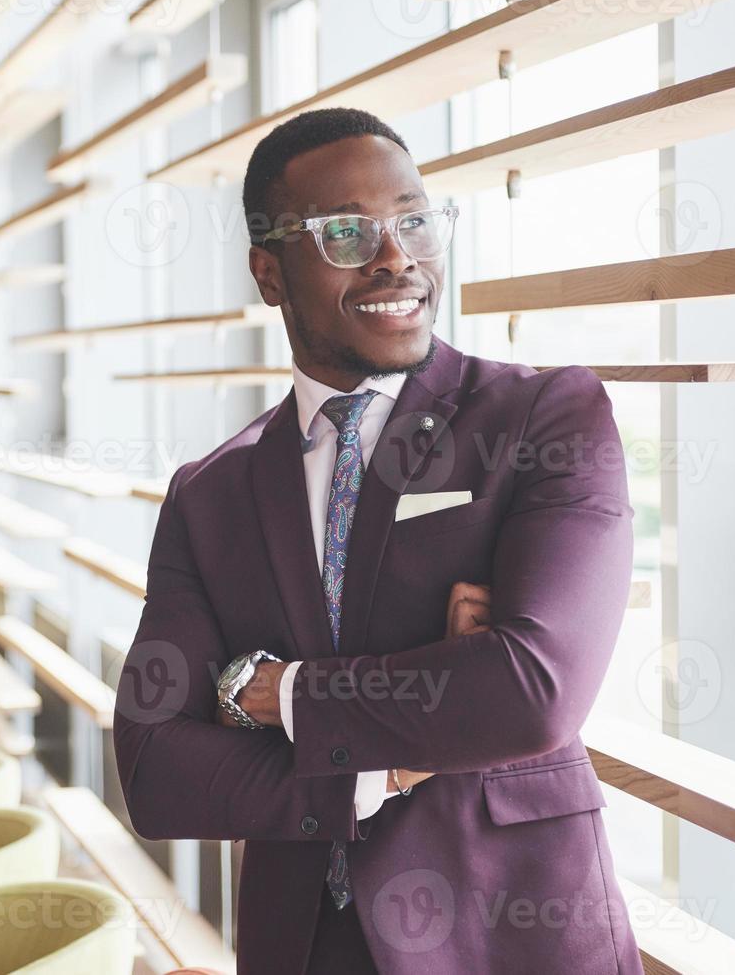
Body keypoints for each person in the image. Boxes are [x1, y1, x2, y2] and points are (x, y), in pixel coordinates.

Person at [113, 107, 643, 975]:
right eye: (347, 232)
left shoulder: (546, 418)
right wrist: (384, 772)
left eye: (414, 220)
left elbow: (533, 690)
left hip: (511, 939)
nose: (395, 255)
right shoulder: (210, 493)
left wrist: (271, 695)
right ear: (269, 273)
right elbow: (155, 767)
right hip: (303, 948)